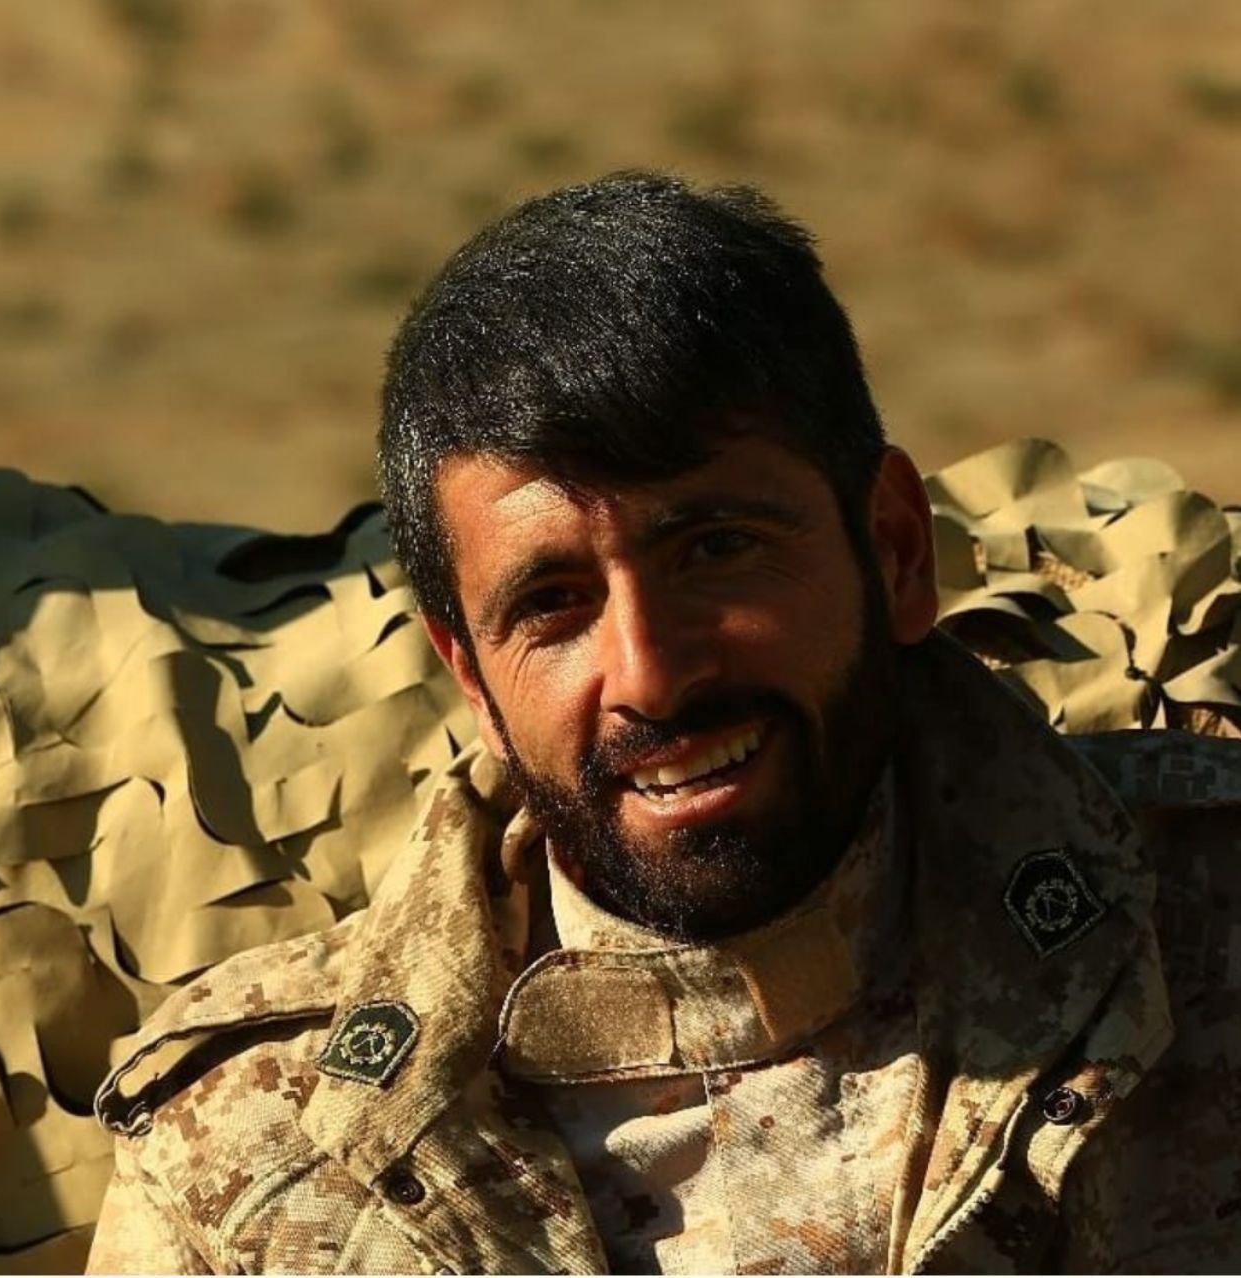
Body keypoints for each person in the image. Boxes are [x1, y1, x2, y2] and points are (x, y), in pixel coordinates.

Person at [87, 172, 1240, 1274]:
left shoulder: (1197, 920)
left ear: (893, 550)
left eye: (717, 550)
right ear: (471, 679)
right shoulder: (243, 1155)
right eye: (552, 604)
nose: (651, 676)